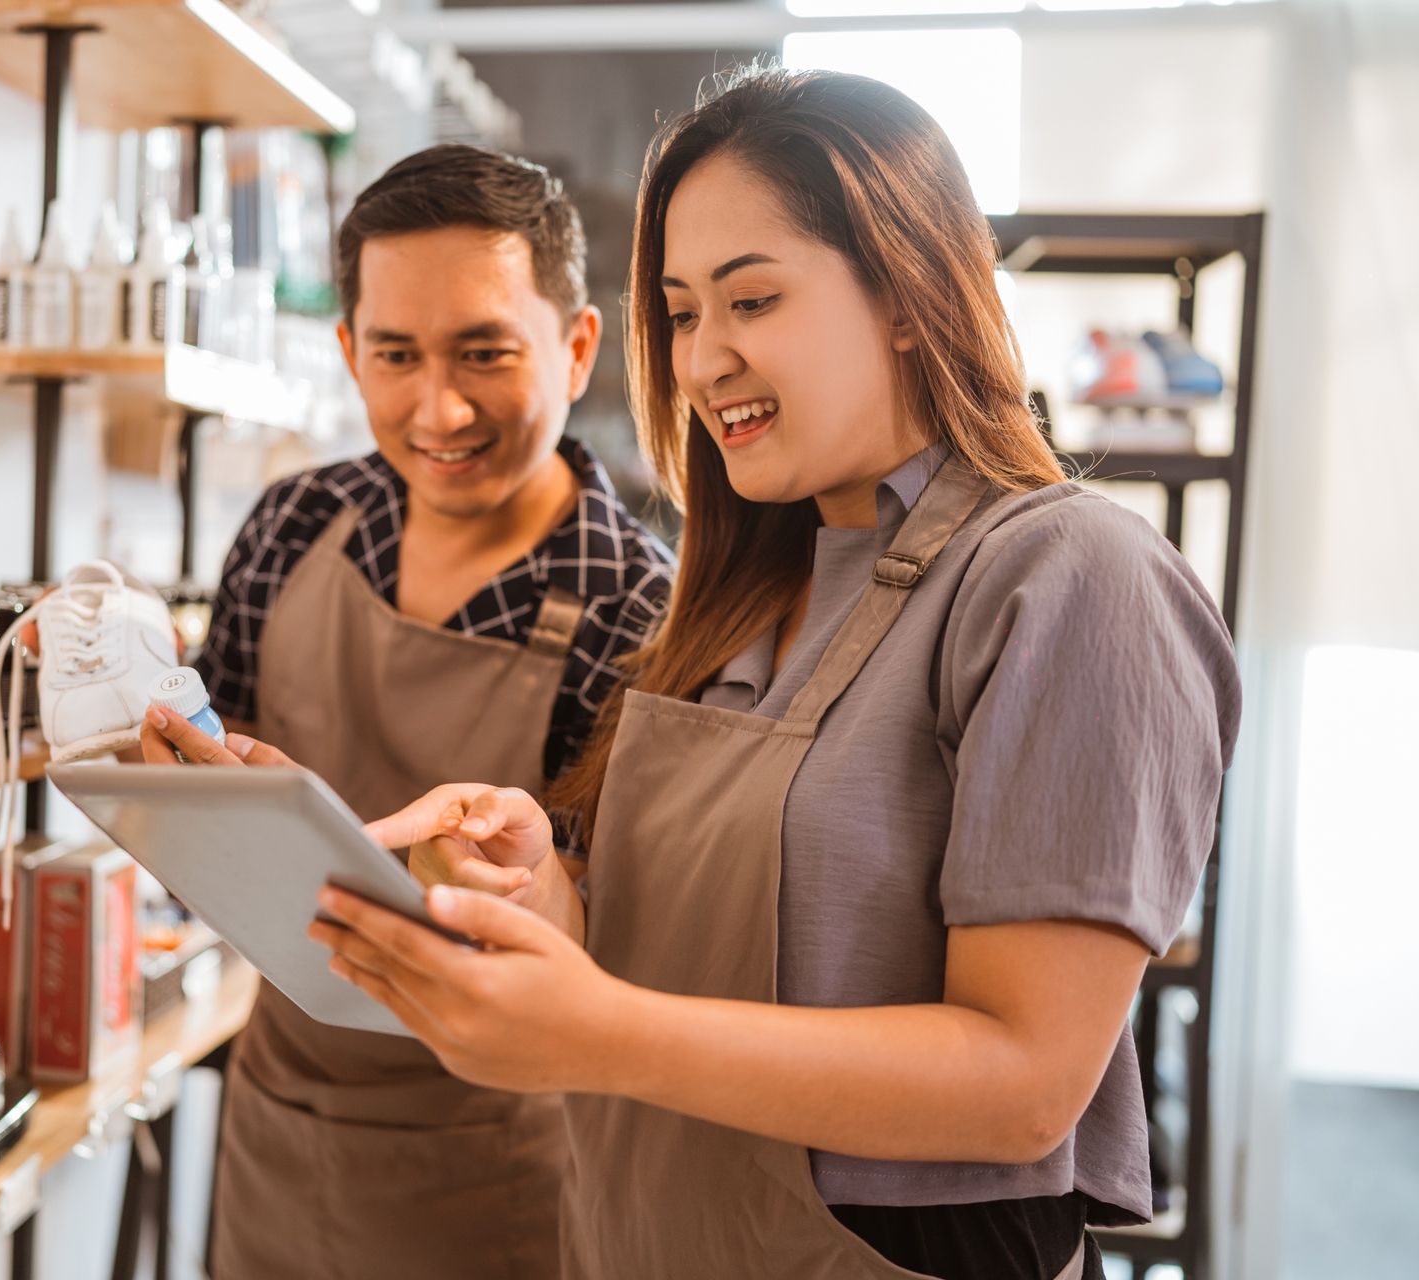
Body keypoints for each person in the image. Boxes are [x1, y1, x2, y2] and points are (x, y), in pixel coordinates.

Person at [307, 68, 1242, 1280]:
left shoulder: (1069, 575)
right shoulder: (744, 591)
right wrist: (542, 890)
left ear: (909, 292)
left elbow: (1021, 1083)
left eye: (752, 299)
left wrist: (600, 1034)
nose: (702, 362)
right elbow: (682, 959)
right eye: (684, 313)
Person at [141, 144, 674, 1279]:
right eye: (395, 355)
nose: (439, 407)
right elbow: (203, 848)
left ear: (577, 347)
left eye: (485, 352)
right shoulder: (293, 527)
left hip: (496, 1167)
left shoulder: (639, 609)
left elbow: (632, 959)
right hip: (278, 1125)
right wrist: (182, 786)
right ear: (349, 352)